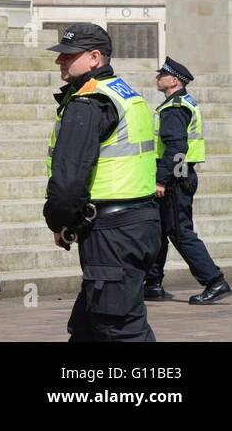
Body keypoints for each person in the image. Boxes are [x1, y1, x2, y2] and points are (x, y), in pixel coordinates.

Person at [45, 23, 161, 341]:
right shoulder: (124, 94)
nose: (60, 61)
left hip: (112, 234)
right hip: (139, 223)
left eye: (68, 55)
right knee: (88, 327)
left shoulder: (88, 103)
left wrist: (59, 222)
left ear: (95, 57)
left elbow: (69, 182)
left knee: (119, 329)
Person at [145, 56, 228, 305]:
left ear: (174, 81)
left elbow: (177, 147)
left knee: (181, 233)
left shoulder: (175, 107)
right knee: (159, 231)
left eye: (162, 75)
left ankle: (214, 281)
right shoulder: (179, 104)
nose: (157, 77)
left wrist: (162, 180)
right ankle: (152, 283)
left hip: (175, 178)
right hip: (179, 175)